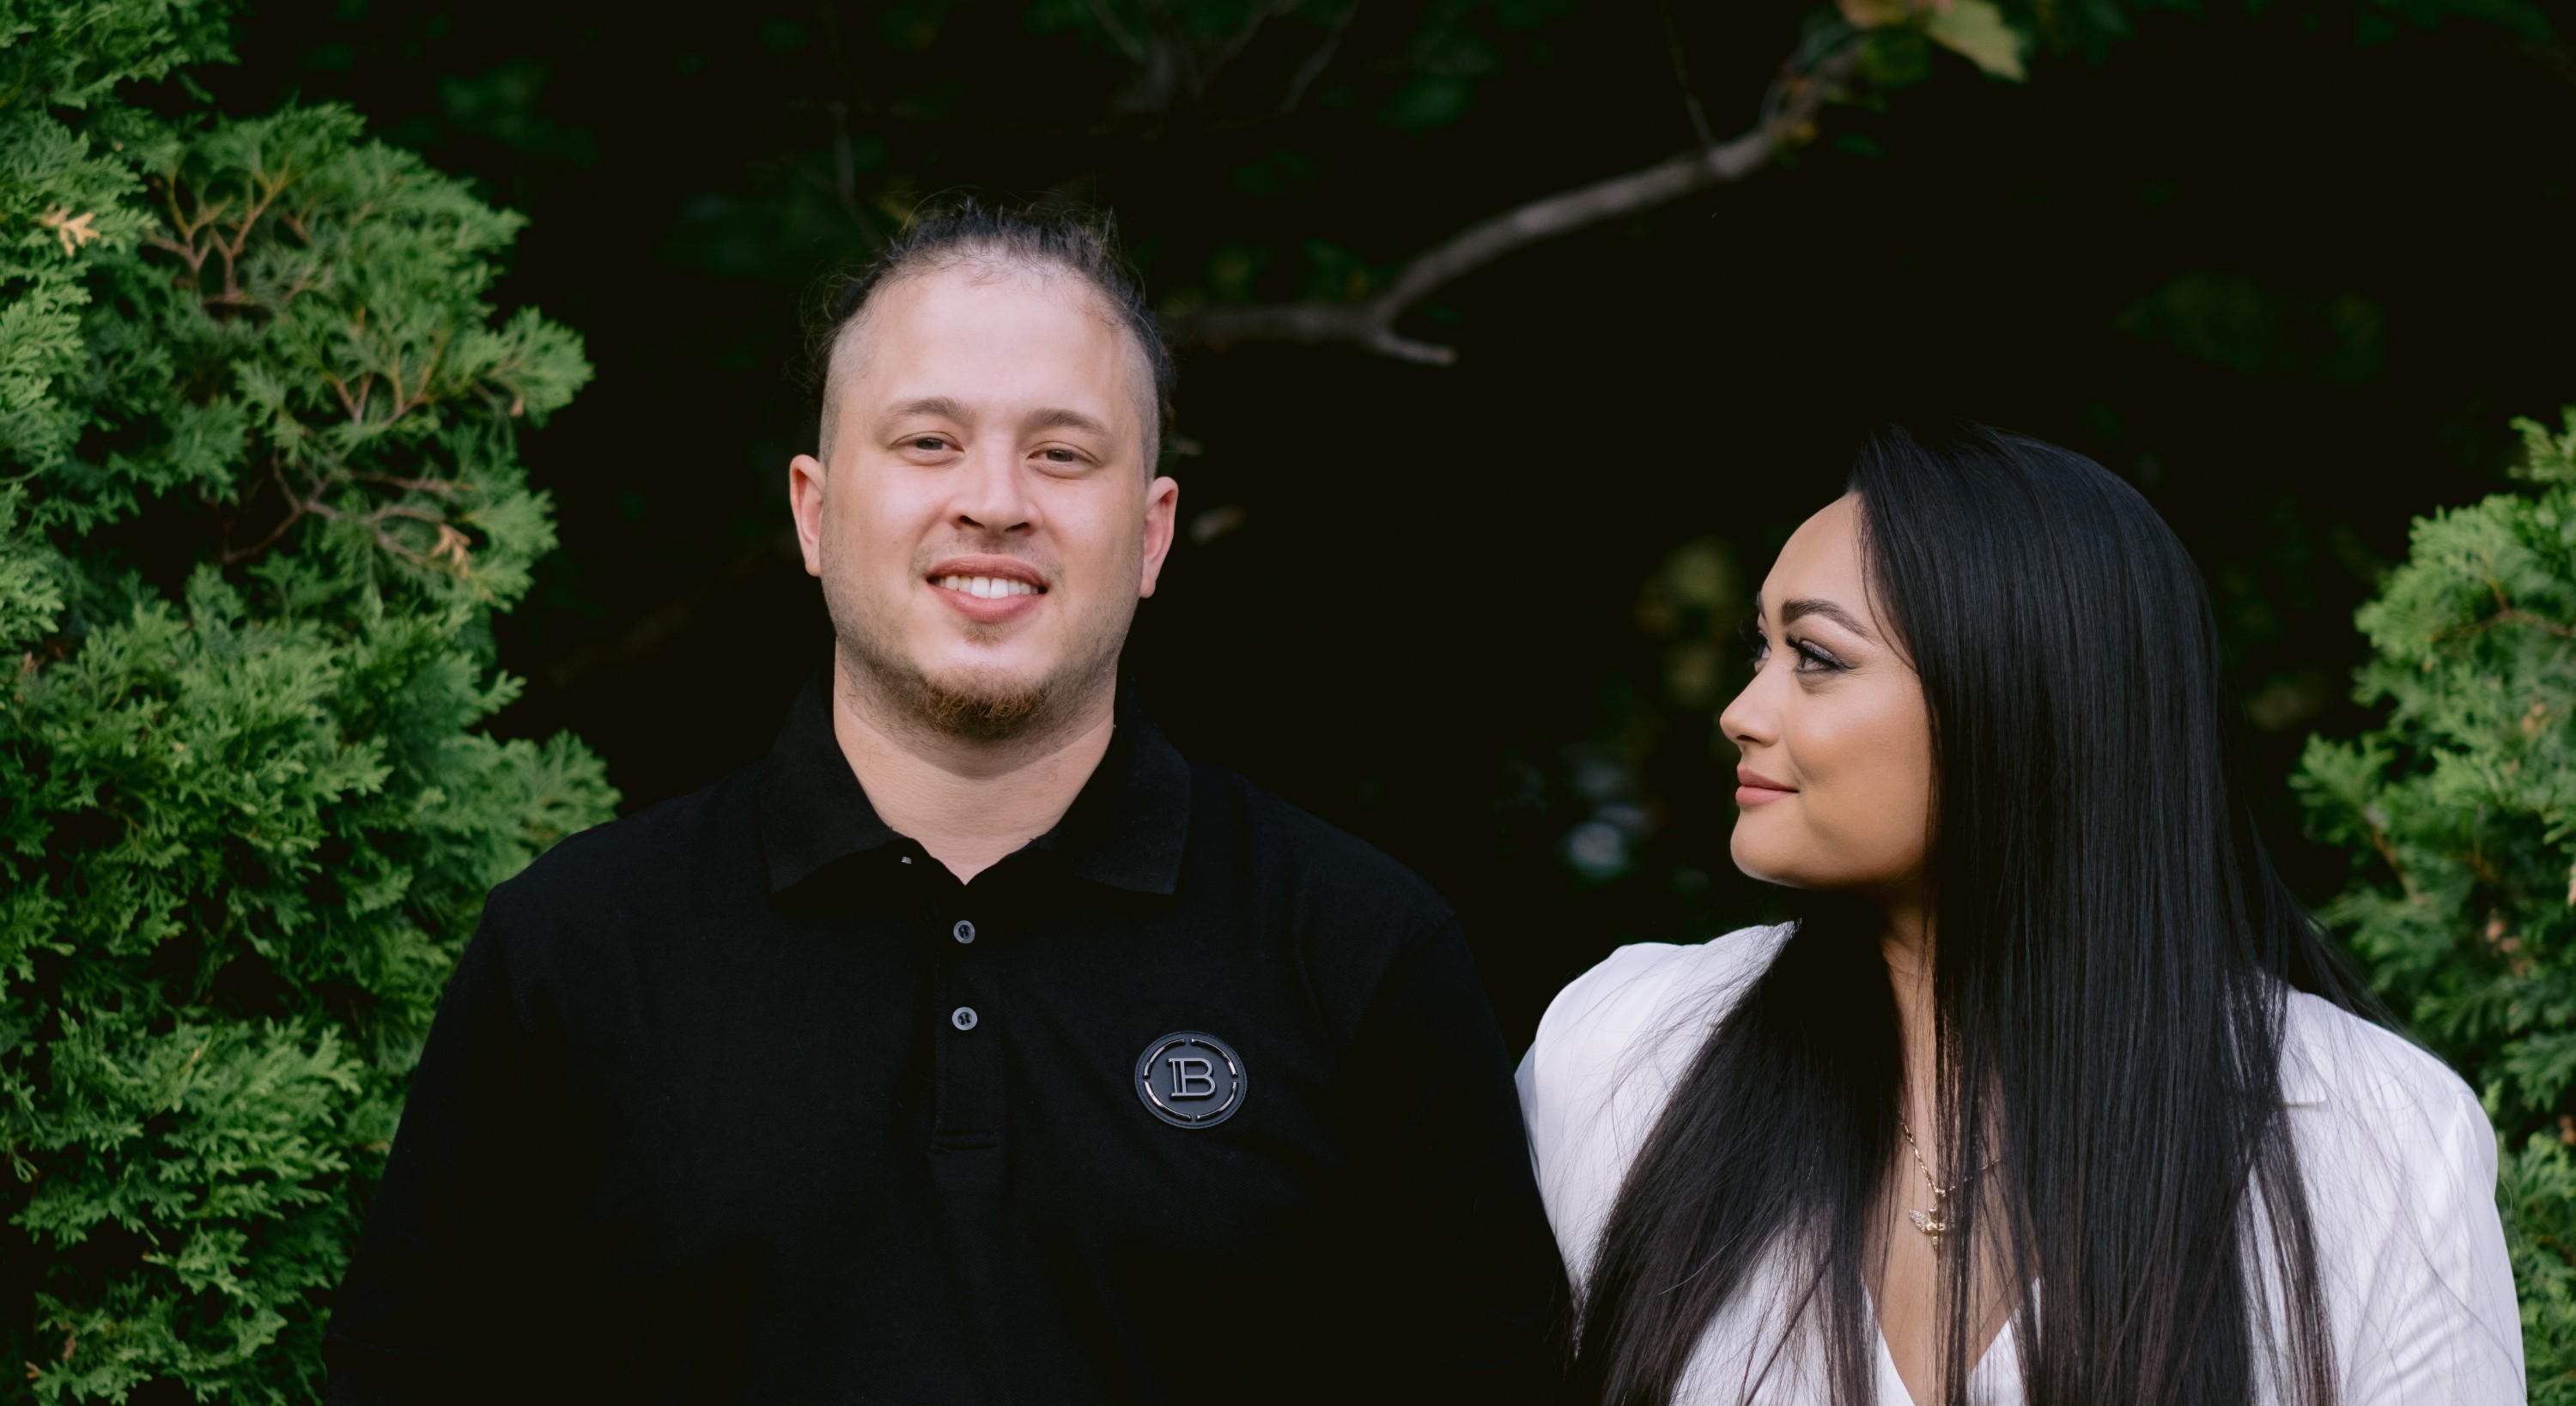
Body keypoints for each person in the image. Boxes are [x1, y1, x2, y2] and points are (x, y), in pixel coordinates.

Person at [325, 203, 1566, 1404]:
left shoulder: (1360, 956)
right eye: (929, 441)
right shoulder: (573, 953)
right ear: (814, 510)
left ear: (1151, 533)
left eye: (1062, 452)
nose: (995, 500)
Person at [1517, 424, 2523, 1406]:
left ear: (2016, 700)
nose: (1744, 709)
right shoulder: (1626, 1053)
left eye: (1815, 657)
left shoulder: (2374, 1136)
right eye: (1762, 648)